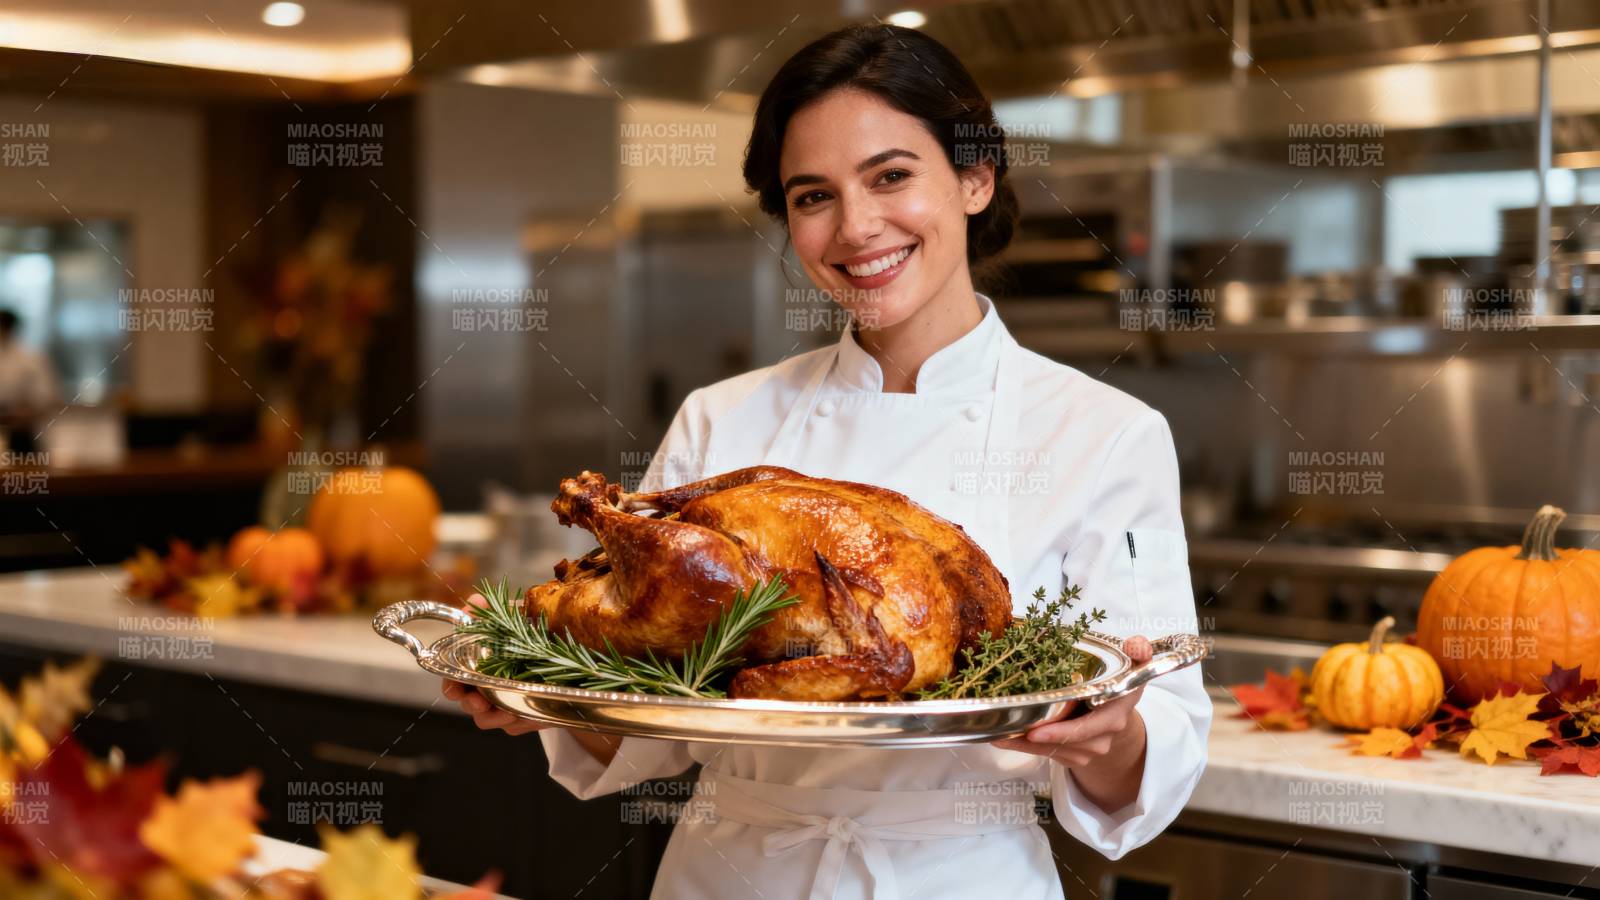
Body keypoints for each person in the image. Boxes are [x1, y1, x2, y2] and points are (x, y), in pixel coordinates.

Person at [444, 23, 1210, 899]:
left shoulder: (1105, 431)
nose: (856, 228)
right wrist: (538, 697)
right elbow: (651, 728)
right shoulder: (722, 418)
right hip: (731, 874)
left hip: (959, 875)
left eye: (891, 176)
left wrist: (1113, 740)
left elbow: (1159, 757)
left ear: (973, 177)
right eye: (813, 196)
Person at [0, 309, 60, 454]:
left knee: (22, 473)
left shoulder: (31, 359)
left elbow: (46, 397)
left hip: (21, 432)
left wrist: (25, 409)